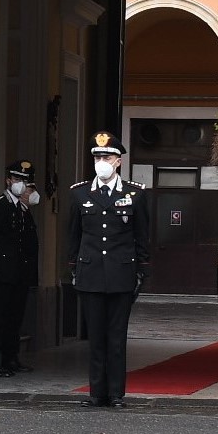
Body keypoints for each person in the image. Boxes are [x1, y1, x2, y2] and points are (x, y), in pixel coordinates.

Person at [67, 131, 150, 408]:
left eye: (108, 156)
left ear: (119, 161)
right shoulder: (79, 194)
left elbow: (142, 237)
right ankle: (96, 392)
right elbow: (73, 236)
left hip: (121, 275)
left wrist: (142, 271)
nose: (102, 161)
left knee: (116, 337)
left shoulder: (135, 194)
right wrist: (73, 268)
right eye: (98, 157)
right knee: (96, 338)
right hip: (90, 274)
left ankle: (115, 393)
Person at [0, 159, 41, 378]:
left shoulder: (21, 209)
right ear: (8, 180)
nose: (22, 184)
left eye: (25, 180)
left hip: (17, 275)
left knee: (13, 319)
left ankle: (10, 358)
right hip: (1, 274)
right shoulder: (1, 205)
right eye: (18, 179)